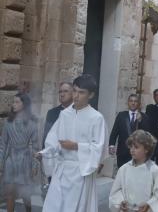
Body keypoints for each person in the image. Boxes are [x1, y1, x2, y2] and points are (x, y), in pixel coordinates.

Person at [38, 74, 107, 212]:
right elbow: (53, 138)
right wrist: (44, 153)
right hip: (62, 170)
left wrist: (76, 146)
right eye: (75, 91)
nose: (76, 96)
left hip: (81, 172)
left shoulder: (96, 118)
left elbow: (98, 147)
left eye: (81, 92)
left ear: (91, 95)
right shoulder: (64, 115)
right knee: (55, 206)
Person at [109, 130, 158, 212]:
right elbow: (116, 191)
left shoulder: (155, 171)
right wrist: (120, 202)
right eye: (131, 147)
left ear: (146, 149)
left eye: (136, 147)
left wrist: (149, 205)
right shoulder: (123, 169)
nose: (132, 150)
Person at [0, 93, 39, 212]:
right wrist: (1, 163)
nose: (13, 105)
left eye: (17, 102)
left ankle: (29, 210)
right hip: (10, 160)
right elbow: (3, 144)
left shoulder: (32, 123)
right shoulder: (8, 122)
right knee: (10, 192)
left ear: (25, 104)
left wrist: (35, 164)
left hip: (25, 160)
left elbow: (36, 146)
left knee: (25, 194)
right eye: (13, 102)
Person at [109, 94, 151, 168]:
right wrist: (111, 145)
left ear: (138, 104)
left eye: (135, 101)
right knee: (122, 174)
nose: (133, 103)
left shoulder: (144, 117)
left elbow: (147, 134)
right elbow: (114, 131)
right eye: (131, 101)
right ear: (128, 103)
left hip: (137, 152)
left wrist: (141, 121)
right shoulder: (121, 115)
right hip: (122, 151)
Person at [43, 82, 73, 147]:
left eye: (65, 91)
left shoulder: (78, 111)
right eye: (60, 92)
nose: (62, 94)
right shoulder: (52, 113)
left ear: (73, 93)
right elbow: (47, 135)